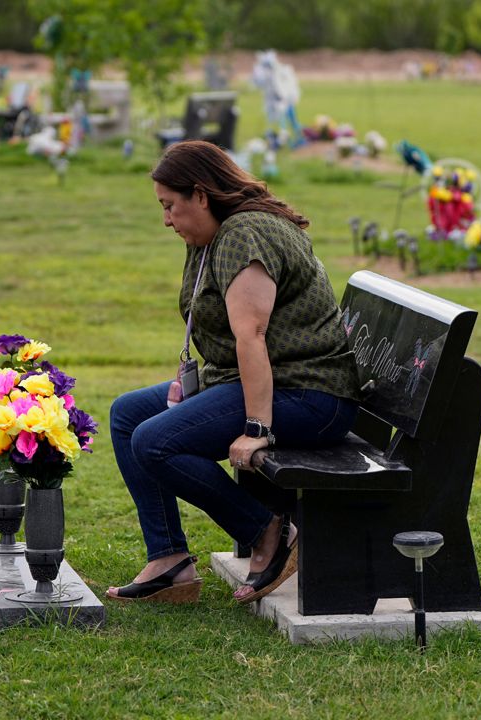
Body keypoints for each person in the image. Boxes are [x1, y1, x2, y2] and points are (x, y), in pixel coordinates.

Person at [108, 140, 359, 605]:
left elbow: (253, 335)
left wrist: (257, 429)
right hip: (259, 382)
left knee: (154, 441)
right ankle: (170, 561)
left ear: (201, 195)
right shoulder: (215, 234)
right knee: (128, 415)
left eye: (170, 206)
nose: (166, 219)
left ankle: (269, 531)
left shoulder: (246, 234)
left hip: (308, 395)